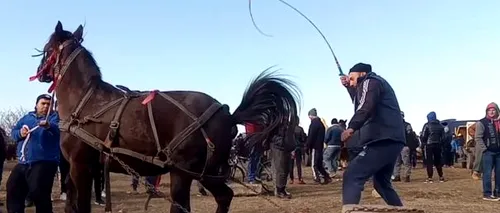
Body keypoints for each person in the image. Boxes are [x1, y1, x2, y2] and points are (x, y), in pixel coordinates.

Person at [339, 63, 405, 206]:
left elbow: (365, 106)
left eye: (351, 78)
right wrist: (348, 87)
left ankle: (350, 210)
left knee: (352, 176)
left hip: (383, 138)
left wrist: (351, 128)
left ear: (362, 74)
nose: (350, 81)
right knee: (381, 183)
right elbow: (360, 100)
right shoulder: (374, 84)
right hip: (392, 138)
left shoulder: (371, 81)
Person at [7, 94, 60, 213]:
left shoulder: (55, 118)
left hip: (45, 161)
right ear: (36, 105)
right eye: (43, 103)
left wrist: (49, 126)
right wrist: (20, 133)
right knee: (13, 187)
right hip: (23, 162)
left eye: (49, 104)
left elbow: (59, 132)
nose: (46, 106)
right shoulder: (27, 118)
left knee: (39, 192)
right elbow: (14, 133)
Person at [474, 102, 500, 201]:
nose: (491, 112)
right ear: (486, 111)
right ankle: (487, 193)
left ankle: (498, 192)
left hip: (498, 152)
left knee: (499, 173)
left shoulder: (499, 122)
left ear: (497, 111)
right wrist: (484, 149)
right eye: (489, 110)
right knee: (487, 173)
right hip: (488, 152)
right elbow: (478, 138)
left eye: (493, 110)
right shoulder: (482, 122)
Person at [306, 108, 331, 184]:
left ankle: (317, 178)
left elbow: (311, 136)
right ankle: (326, 177)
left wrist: (307, 146)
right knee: (319, 163)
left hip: (315, 147)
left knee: (314, 164)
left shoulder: (313, 124)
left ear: (311, 115)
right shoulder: (321, 124)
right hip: (320, 146)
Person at [270, 122, 295, 199]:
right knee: (280, 169)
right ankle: (279, 190)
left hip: (285, 146)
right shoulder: (276, 123)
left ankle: (282, 189)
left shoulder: (286, 123)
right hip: (279, 146)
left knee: (285, 169)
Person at [392, 111, 418, 182]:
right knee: (403, 162)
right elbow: (411, 135)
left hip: (400, 146)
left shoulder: (395, 125)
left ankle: (401, 176)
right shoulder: (407, 125)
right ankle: (403, 176)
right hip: (402, 146)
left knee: (400, 162)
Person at [420, 111, 446, 183]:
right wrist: (440, 144)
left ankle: (430, 177)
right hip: (438, 144)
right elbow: (443, 138)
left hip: (429, 145)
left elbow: (423, 136)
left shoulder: (427, 125)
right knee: (438, 161)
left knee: (429, 161)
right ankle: (441, 176)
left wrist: (423, 143)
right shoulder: (440, 126)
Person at [289, 118, 306, 184]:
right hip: (298, 147)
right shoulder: (300, 129)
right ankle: (300, 178)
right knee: (298, 164)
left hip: (291, 148)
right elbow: (303, 138)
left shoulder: (289, 129)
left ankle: (291, 179)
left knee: (291, 164)